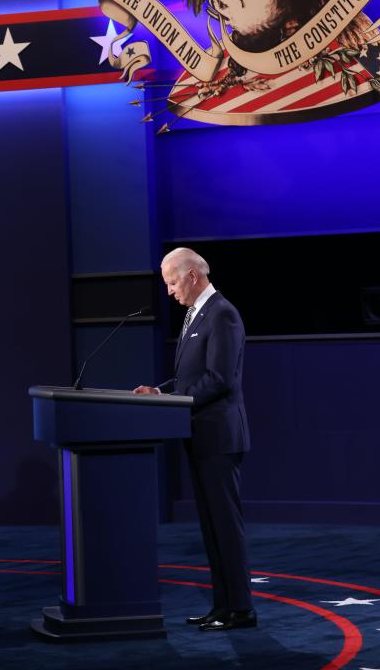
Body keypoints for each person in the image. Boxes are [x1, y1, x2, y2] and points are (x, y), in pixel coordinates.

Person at [134, 248, 254, 631]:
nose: (169, 292)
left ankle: (241, 609)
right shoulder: (195, 313)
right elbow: (192, 375)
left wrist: (172, 400)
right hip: (200, 435)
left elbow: (219, 379)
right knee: (211, 527)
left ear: (191, 276)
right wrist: (160, 391)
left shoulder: (222, 314)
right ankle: (223, 606)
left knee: (225, 526)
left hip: (219, 437)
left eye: (171, 282)